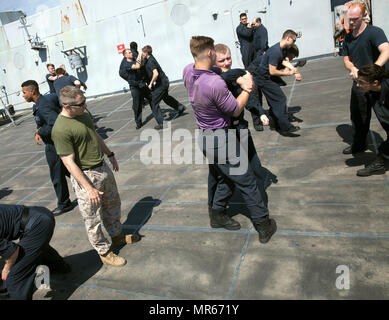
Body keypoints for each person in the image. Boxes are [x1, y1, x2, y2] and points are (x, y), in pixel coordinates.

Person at [183, 36, 277, 244]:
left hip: (205, 137)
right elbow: (235, 110)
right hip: (222, 139)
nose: (220, 58)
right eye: (216, 54)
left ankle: (217, 214)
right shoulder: (215, 84)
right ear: (210, 53)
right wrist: (247, 88)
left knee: (225, 177)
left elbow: (218, 72)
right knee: (247, 182)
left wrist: (240, 74)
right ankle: (264, 225)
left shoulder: (189, 71)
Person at [51, 86, 140, 267]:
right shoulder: (60, 129)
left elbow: (95, 136)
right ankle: (104, 251)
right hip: (86, 176)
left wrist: (110, 154)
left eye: (85, 100)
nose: (85, 105)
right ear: (67, 106)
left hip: (102, 168)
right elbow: (68, 163)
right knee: (92, 218)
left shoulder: (83, 115)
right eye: (81, 103)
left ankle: (116, 236)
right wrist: (89, 188)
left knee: (112, 203)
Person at [21, 80, 75, 216]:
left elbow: (55, 124)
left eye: (24, 92)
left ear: (32, 91)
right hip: (55, 144)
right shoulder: (39, 104)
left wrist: (40, 132)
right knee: (70, 171)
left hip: (55, 146)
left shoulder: (43, 105)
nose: (23, 95)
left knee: (58, 176)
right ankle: (87, 189)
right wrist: (39, 130)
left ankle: (64, 204)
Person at [342, 2, 389, 155]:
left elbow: (386, 50)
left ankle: (386, 153)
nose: (351, 22)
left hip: (376, 84)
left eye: (355, 19)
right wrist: (353, 68)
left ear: (363, 16)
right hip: (359, 84)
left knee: (385, 117)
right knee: (358, 117)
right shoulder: (348, 38)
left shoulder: (374, 32)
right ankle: (359, 144)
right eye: (350, 19)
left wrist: (373, 71)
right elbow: (346, 60)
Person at [0, 204, 71, 300]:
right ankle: (60, 267)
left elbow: (13, 251)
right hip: (38, 214)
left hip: (37, 223)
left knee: (15, 277)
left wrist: (7, 269)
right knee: (35, 247)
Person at [253, 29, 302, 136]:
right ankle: (286, 127)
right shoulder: (275, 51)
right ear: (288, 38)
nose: (294, 43)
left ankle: (274, 124)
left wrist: (295, 71)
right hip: (263, 79)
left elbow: (284, 61)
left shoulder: (283, 49)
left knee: (274, 102)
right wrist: (288, 73)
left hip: (267, 78)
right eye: (293, 40)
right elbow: (272, 71)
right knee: (280, 100)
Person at [215, 43, 268, 131]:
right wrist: (243, 73)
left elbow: (249, 99)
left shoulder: (235, 77)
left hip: (240, 125)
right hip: (224, 129)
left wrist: (260, 112)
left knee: (247, 144)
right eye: (222, 61)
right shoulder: (213, 79)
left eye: (228, 58)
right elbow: (224, 76)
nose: (227, 63)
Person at [354, 64, 389, 176]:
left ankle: (380, 162)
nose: (358, 85)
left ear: (375, 82)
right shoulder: (373, 92)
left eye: (361, 82)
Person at [141, 45, 186, 130]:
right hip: (163, 82)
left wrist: (150, 84)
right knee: (165, 97)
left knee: (154, 102)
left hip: (162, 84)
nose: (142, 54)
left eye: (143, 52)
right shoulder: (150, 58)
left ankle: (162, 123)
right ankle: (180, 108)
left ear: (146, 53)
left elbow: (156, 73)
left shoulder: (150, 61)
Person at [119, 48, 151, 129]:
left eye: (131, 52)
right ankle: (138, 122)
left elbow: (141, 63)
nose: (131, 53)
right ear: (125, 55)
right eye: (129, 53)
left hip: (141, 84)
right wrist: (140, 54)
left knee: (152, 98)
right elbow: (137, 66)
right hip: (134, 87)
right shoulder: (126, 63)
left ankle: (159, 116)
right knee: (137, 105)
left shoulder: (134, 58)